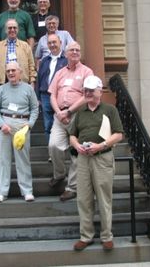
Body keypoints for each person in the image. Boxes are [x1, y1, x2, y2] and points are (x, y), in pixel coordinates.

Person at [70, 75, 124, 251]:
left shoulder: (109, 110)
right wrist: (77, 146)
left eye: (91, 90)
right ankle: (86, 236)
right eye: (85, 90)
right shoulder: (80, 113)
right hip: (84, 159)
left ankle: (107, 236)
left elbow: (118, 134)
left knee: (104, 198)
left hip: (102, 158)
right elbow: (72, 135)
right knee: (83, 199)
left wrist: (100, 146)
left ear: (99, 91)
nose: (88, 93)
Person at [48, 41, 93, 201]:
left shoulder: (87, 72)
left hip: (78, 116)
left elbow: (87, 95)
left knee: (75, 152)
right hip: (59, 116)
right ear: (65, 54)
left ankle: (71, 187)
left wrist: (69, 111)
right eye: (72, 50)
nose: (75, 52)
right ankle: (59, 174)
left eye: (77, 50)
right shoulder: (60, 73)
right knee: (54, 145)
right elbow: (52, 94)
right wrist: (59, 112)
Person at [0, 61, 39, 203]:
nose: (11, 73)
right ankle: (2, 191)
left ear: (20, 72)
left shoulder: (28, 89)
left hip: (22, 127)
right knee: (3, 160)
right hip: (5, 125)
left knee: (23, 160)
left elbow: (35, 109)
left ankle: (27, 191)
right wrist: (1, 125)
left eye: (13, 70)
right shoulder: (1, 89)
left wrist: (29, 125)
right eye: (8, 71)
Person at [0, 19, 36, 93]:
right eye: (9, 28)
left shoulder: (25, 46)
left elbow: (31, 65)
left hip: (22, 83)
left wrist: (32, 81)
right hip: (4, 82)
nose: (12, 30)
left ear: (18, 30)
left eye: (14, 28)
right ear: (5, 30)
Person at [36, 33, 67, 143]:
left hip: (61, 95)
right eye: (50, 43)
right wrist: (38, 97)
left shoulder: (66, 60)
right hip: (45, 96)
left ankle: (62, 148)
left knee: (63, 122)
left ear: (60, 43)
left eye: (54, 42)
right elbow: (39, 78)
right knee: (48, 124)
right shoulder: (44, 60)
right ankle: (51, 151)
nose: (52, 45)